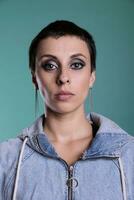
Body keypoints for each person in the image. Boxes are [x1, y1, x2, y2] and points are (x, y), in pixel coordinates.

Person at [0, 20, 134, 200]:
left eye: (76, 64)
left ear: (92, 76)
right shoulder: (6, 158)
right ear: (34, 78)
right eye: (50, 65)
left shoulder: (130, 155)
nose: (63, 77)